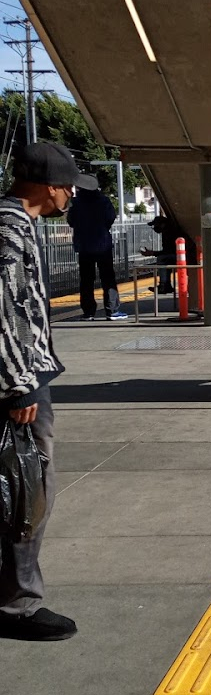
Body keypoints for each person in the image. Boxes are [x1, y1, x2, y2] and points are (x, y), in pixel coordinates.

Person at [0, 142, 96, 641]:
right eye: (68, 187)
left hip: (22, 379)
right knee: (27, 492)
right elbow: (4, 313)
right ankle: (18, 604)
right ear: (47, 185)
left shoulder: (17, 226)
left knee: (17, 490)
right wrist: (19, 388)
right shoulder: (10, 231)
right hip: (18, 386)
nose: (71, 197)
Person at [66, 186, 127, 320]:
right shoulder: (103, 201)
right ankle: (112, 311)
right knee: (108, 278)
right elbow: (110, 218)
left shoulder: (76, 203)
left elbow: (70, 221)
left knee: (86, 280)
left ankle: (88, 312)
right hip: (102, 245)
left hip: (84, 245)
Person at [140, 213, 182, 293]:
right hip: (178, 254)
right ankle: (167, 285)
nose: (154, 228)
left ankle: (164, 286)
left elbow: (169, 251)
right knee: (165, 259)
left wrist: (153, 253)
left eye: (155, 225)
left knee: (162, 259)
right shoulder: (168, 231)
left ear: (162, 225)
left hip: (181, 255)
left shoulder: (169, 233)